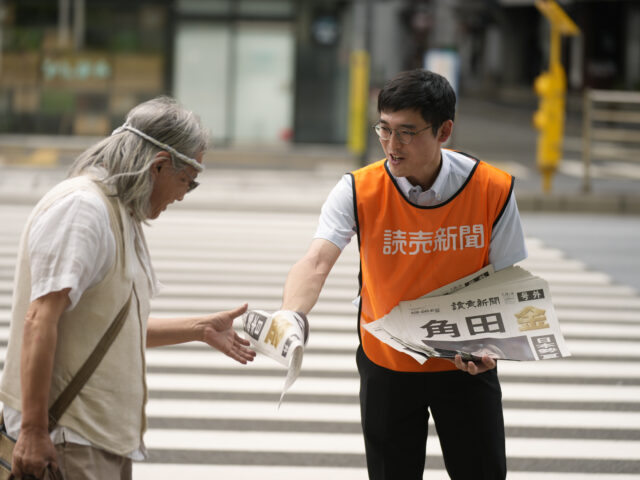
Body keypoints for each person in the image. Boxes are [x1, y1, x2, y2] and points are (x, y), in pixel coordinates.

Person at [280, 70, 527, 479]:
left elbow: (507, 278)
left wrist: (495, 347)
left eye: (407, 133)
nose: (391, 146)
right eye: (384, 129)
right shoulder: (359, 189)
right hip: (387, 364)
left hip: (464, 364)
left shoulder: (492, 188)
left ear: (444, 130)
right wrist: (291, 314)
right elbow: (316, 261)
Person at [0, 96, 256, 479]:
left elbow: (109, 330)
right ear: (158, 165)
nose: (183, 194)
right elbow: (39, 319)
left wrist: (200, 329)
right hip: (67, 438)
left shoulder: (119, 212)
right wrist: (35, 431)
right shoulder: (83, 208)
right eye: (186, 180)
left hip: (97, 440)